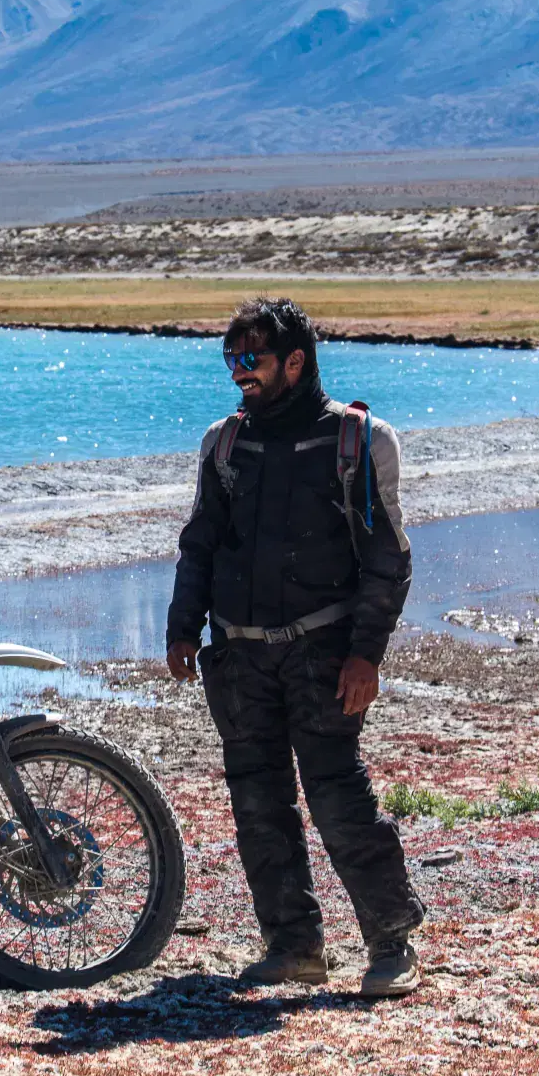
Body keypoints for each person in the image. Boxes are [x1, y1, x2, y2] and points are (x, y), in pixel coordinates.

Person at [166, 297, 425, 996]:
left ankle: (391, 943)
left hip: (324, 654)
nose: (239, 372)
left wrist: (366, 655)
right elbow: (201, 544)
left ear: (295, 362)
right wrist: (182, 627)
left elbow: (388, 560)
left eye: (252, 359)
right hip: (240, 656)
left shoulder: (358, 441)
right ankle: (293, 947)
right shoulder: (225, 443)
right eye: (231, 359)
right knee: (257, 803)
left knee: (338, 795)